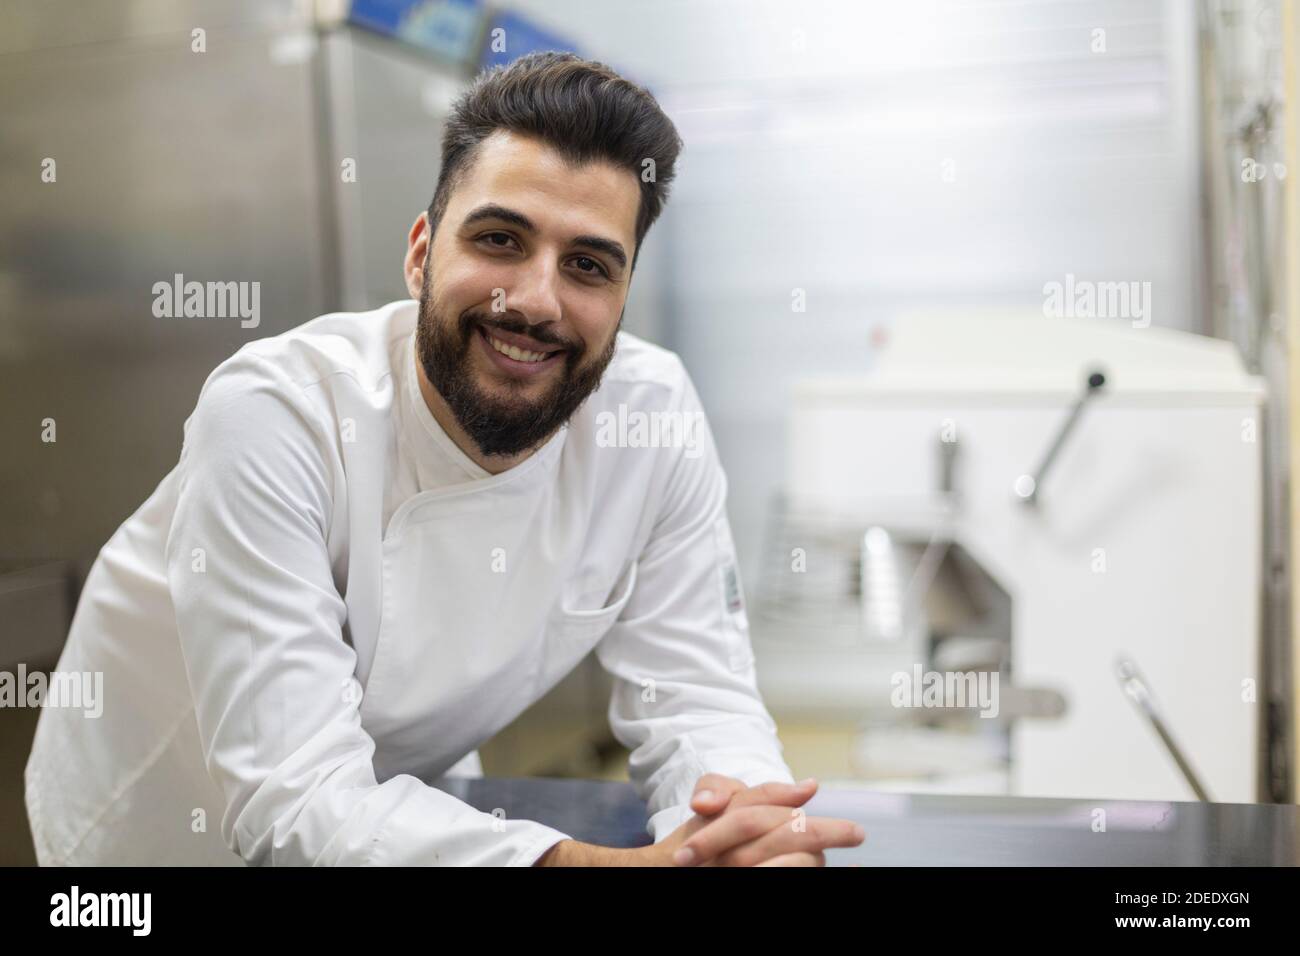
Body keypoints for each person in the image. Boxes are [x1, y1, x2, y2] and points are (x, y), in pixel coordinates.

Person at [25, 51, 865, 867]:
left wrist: (743, 834)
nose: (534, 301)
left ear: (622, 295)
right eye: (500, 239)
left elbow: (698, 694)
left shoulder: (651, 416)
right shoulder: (278, 414)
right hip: (156, 825)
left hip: (395, 813)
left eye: (587, 265)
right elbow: (297, 799)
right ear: (422, 253)